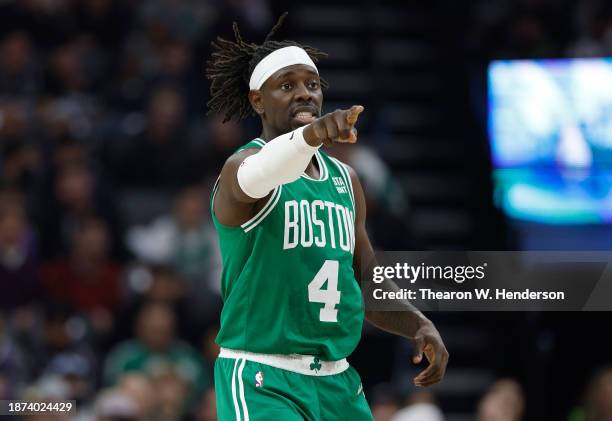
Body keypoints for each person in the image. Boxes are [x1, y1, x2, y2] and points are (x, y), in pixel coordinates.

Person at [206, 13, 449, 420]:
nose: (304, 94)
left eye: (312, 84)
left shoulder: (346, 180)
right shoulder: (241, 167)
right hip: (262, 377)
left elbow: (364, 278)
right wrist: (311, 137)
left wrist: (417, 324)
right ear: (257, 100)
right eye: (287, 85)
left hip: (337, 380)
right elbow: (263, 172)